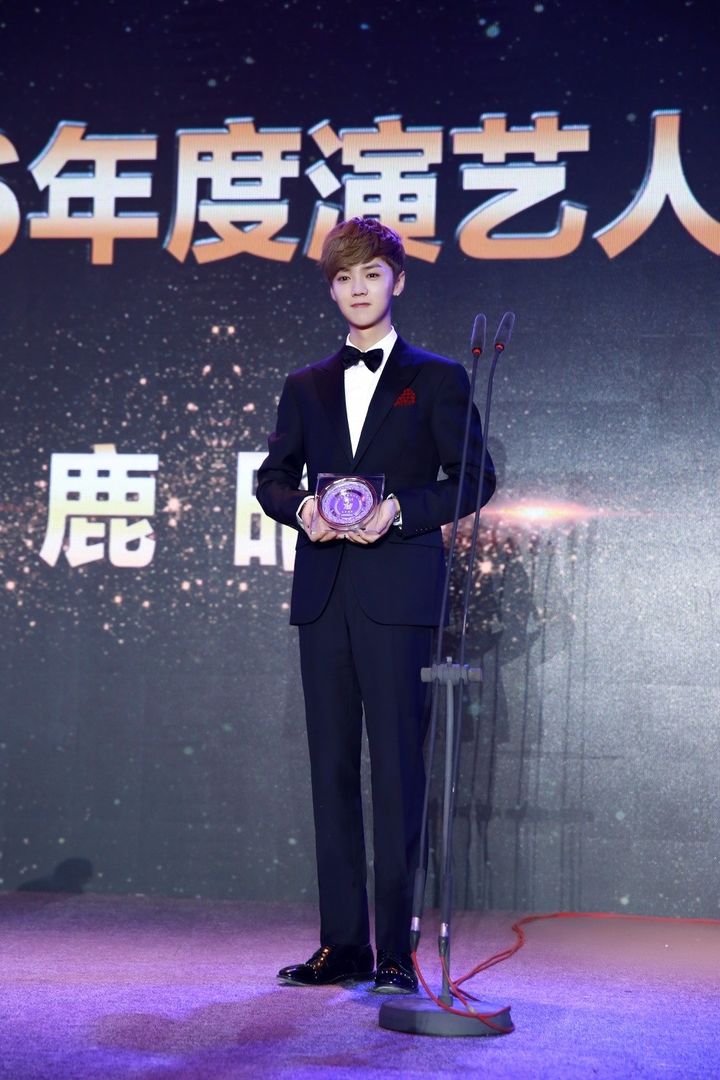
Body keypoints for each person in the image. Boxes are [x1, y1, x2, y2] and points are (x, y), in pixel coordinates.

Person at [256, 217, 495, 994]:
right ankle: (341, 944)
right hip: (324, 596)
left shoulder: (439, 378)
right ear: (331, 290)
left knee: (396, 773)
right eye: (343, 278)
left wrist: (398, 513)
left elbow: (475, 477)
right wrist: (304, 510)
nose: (357, 289)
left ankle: (395, 949)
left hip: (399, 598)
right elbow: (272, 479)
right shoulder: (305, 384)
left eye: (370, 275)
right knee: (331, 772)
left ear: (398, 280)